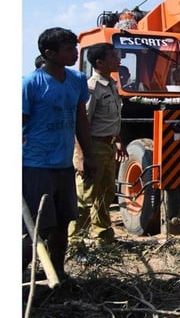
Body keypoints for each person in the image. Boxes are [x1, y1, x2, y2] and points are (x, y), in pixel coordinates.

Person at [23, 27, 96, 281]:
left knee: (64, 221)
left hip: (63, 165)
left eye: (75, 47)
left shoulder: (76, 80)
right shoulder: (31, 84)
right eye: (69, 49)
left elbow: (81, 120)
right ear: (49, 53)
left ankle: (57, 273)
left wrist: (88, 154)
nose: (75, 53)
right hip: (35, 165)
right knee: (37, 226)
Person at [70, 43, 127, 244]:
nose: (118, 59)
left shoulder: (111, 85)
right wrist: (83, 157)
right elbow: (81, 123)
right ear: (99, 62)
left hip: (108, 147)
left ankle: (103, 236)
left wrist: (117, 140)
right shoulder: (91, 88)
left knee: (105, 194)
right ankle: (75, 242)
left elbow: (110, 119)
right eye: (113, 56)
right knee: (85, 198)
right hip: (93, 148)